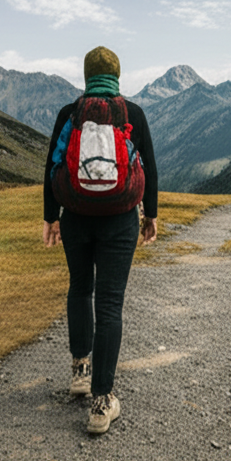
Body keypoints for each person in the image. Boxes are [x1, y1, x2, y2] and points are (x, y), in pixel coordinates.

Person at [42, 45, 158, 434]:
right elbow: (149, 166)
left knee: (80, 288)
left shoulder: (70, 113)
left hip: (76, 218)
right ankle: (101, 402)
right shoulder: (132, 114)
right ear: (117, 76)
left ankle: (80, 372)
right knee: (109, 304)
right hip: (120, 222)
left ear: (87, 75)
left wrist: (51, 217)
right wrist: (151, 214)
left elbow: (52, 165)